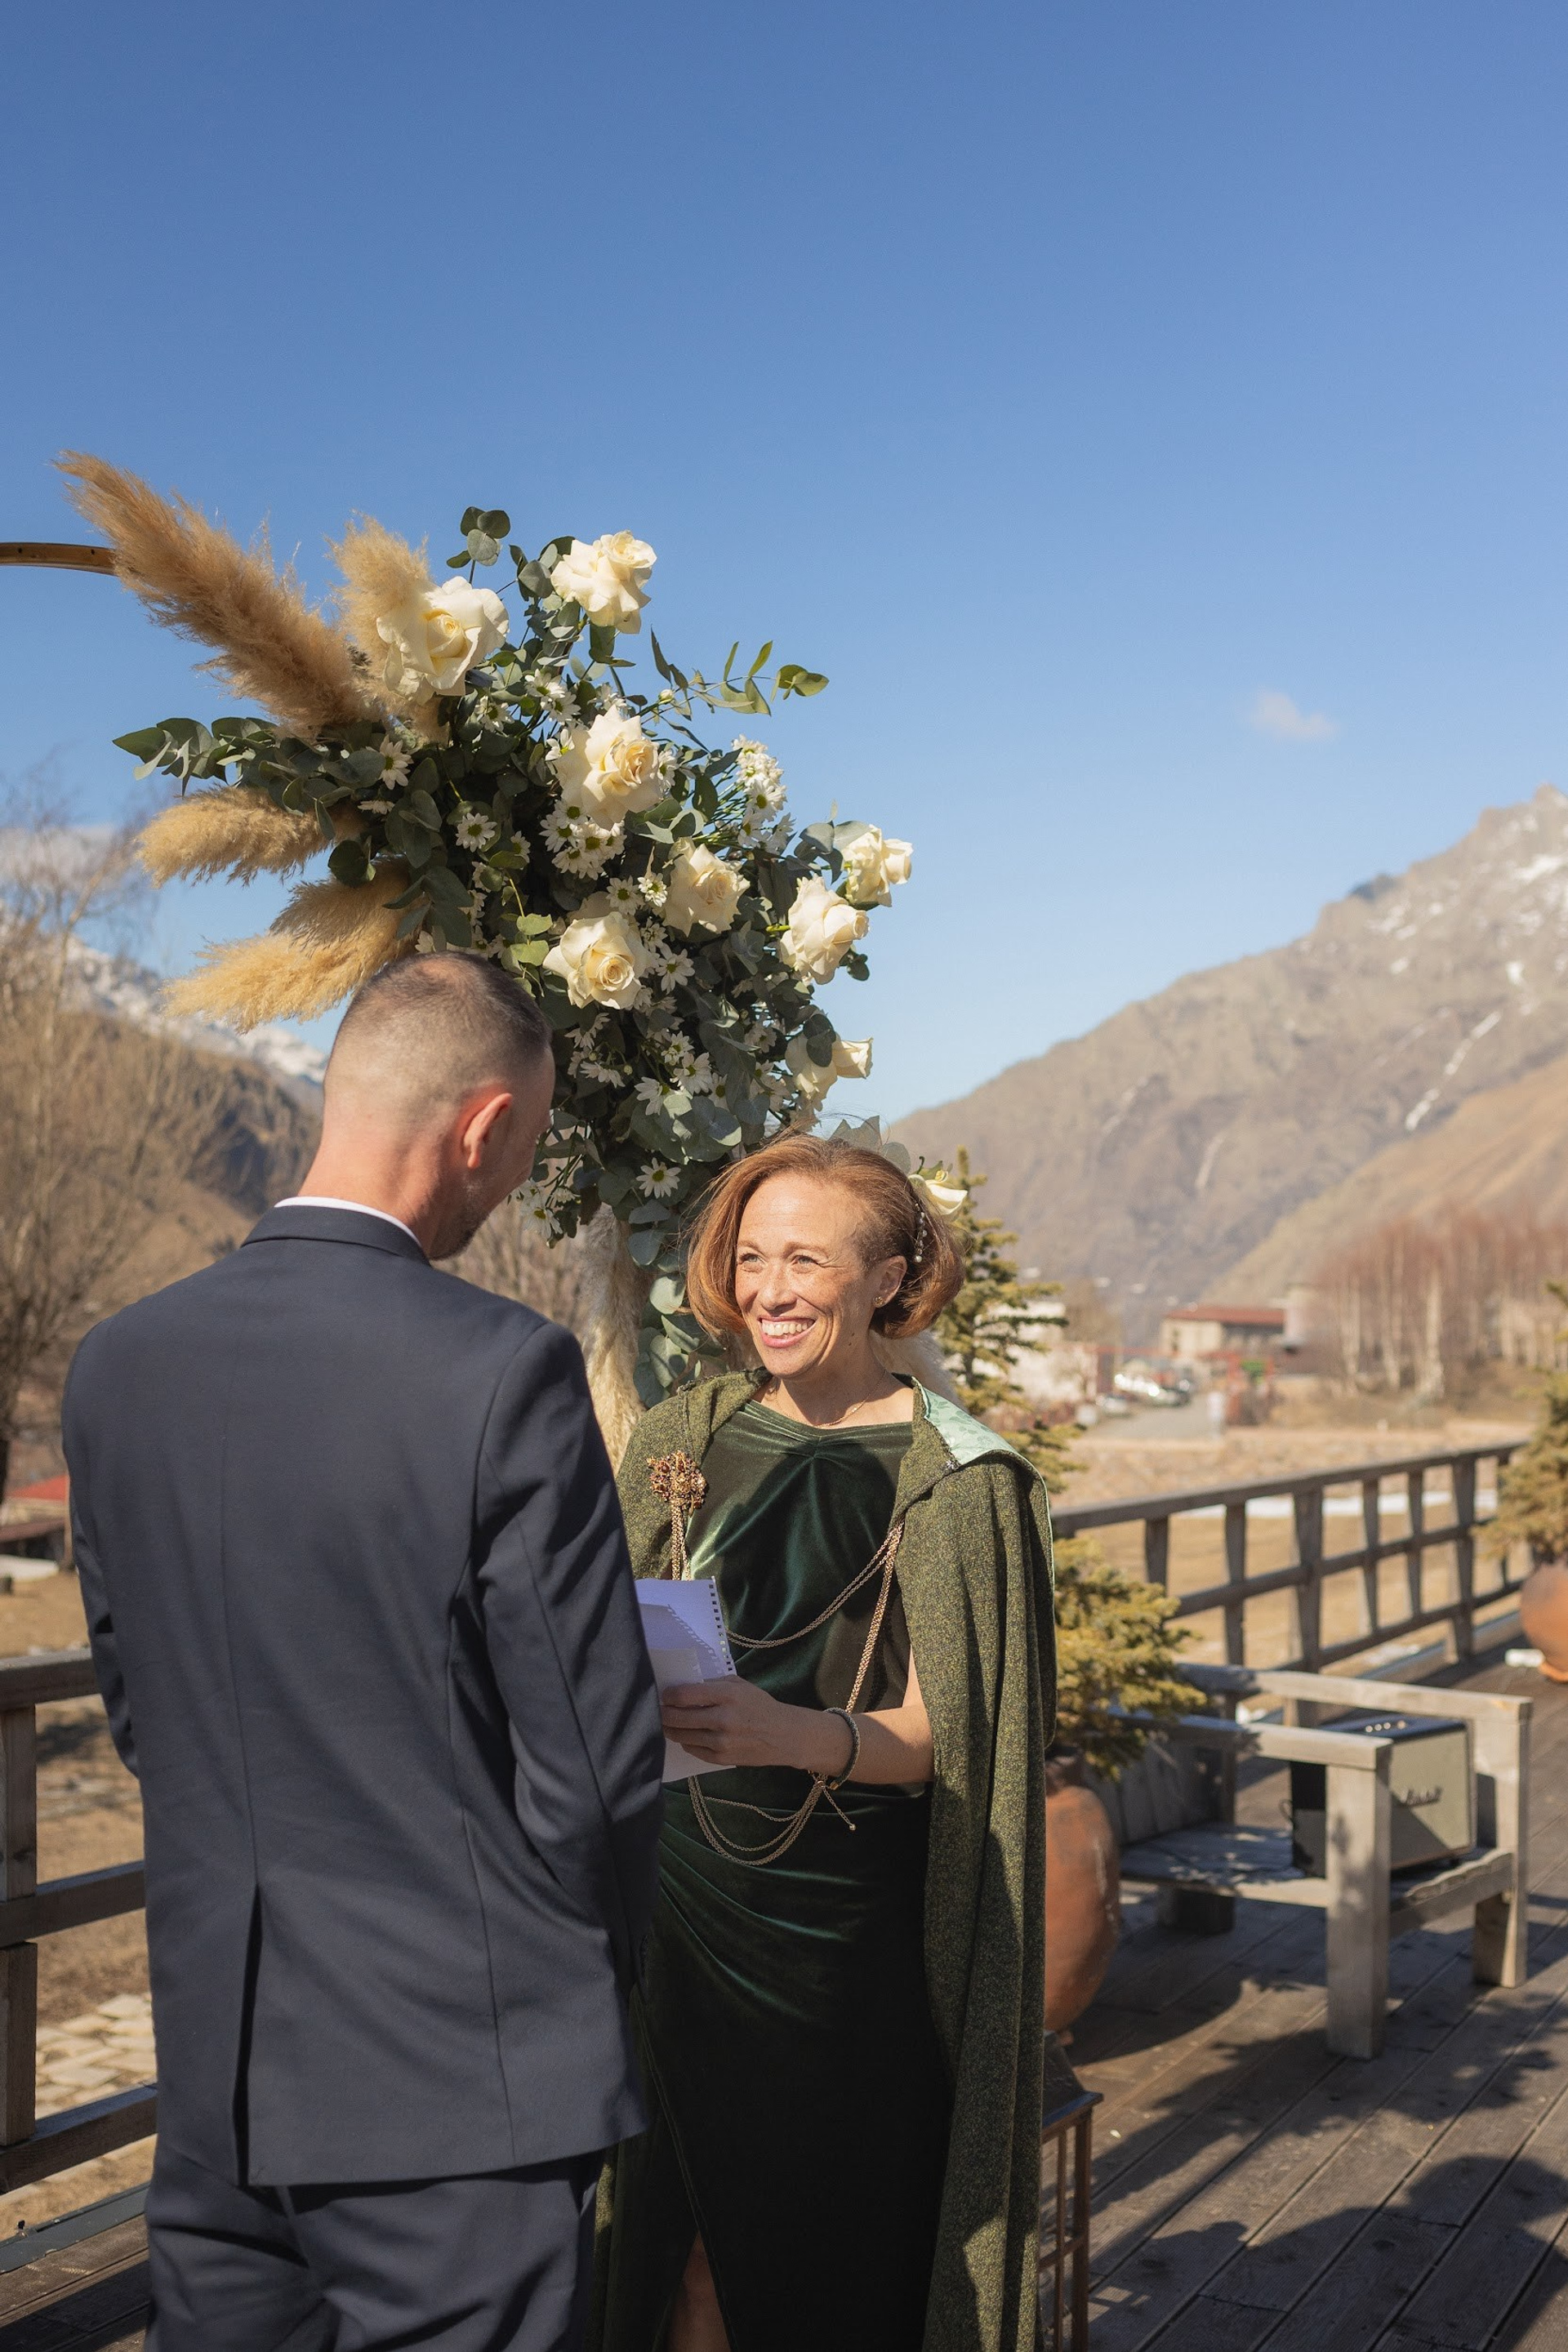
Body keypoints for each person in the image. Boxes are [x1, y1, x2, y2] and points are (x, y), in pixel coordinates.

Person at [62, 953, 666, 2352]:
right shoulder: (499, 1370)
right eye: (519, 1155)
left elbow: (140, 1709)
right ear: (484, 1131)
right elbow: (587, 1772)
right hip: (462, 2089)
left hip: (221, 2074)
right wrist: (601, 1997)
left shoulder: (121, 1362)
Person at [593, 1135, 1057, 2352]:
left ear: (890, 1277)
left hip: (841, 1930)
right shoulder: (680, 1434)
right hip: (676, 1904)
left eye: (805, 1257)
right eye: (750, 1257)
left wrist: (790, 1730)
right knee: (678, 2246)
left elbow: (945, 1739)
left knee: (820, 2248)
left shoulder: (957, 1480)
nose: (768, 1289)